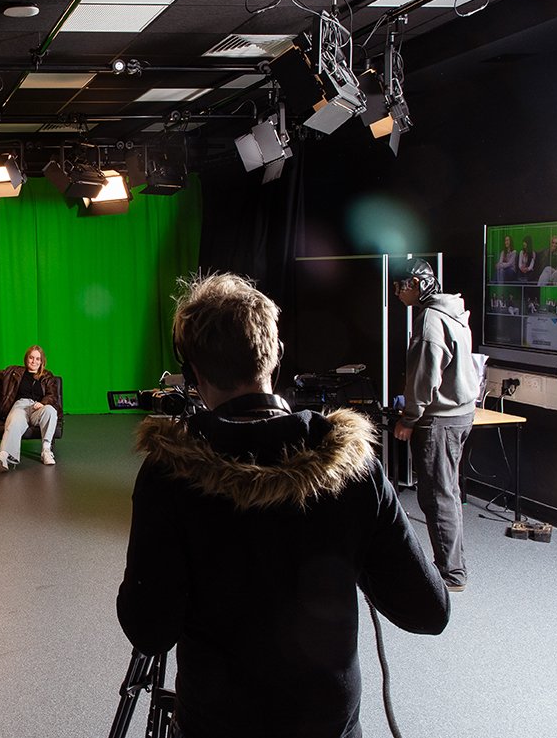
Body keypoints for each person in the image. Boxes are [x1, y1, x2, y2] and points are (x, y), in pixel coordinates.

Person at [117, 272, 449, 738]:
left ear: (192, 373)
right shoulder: (351, 466)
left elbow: (148, 630)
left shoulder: (170, 474)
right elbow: (428, 611)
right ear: (275, 355)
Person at [393, 259, 480, 591]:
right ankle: (453, 564)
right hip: (460, 414)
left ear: (416, 284)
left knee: (436, 496)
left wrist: (408, 419)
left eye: (400, 287)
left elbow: (424, 378)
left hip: (439, 421)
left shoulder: (429, 319)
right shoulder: (453, 310)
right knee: (449, 491)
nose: (398, 294)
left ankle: (451, 574)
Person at [0, 346, 61, 470]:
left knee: (50, 410)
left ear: (42, 361)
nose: (34, 361)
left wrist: (43, 403)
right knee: (14, 422)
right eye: (31, 357)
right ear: (26, 358)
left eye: (38, 359)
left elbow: (52, 395)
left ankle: (46, 451)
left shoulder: (47, 376)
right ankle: (5, 456)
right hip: (20, 406)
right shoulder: (14, 372)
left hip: (38, 408)